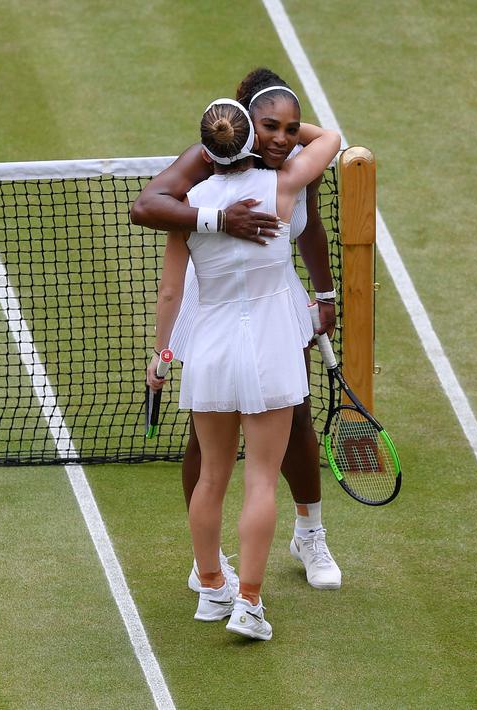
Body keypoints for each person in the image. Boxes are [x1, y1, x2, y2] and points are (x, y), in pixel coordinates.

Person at [131, 69, 342, 592]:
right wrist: (222, 219)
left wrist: (325, 294)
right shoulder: (209, 156)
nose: (282, 138)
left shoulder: (297, 165)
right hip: (214, 296)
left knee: (296, 417)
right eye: (269, 126)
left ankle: (309, 534)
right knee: (206, 438)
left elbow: (310, 226)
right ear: (246, 123)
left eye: (291, 127)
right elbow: (146, 206)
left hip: (275, 296)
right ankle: (207, 560)